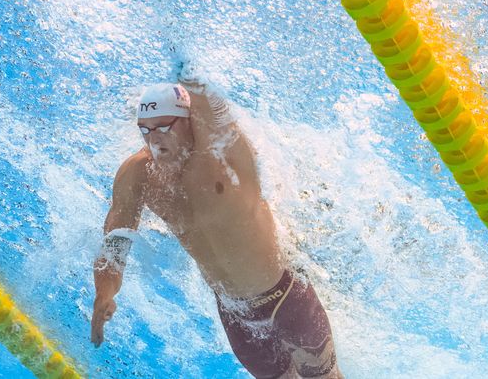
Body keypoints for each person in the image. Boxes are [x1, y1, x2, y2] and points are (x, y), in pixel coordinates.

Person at [91, 79, 343, 378]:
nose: (153, 139)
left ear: (188, 122)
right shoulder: (138, 175)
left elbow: (213, 108)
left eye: (162, 126)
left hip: (285, 297)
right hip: (234, 314)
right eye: (144, 129)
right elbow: (115, 243)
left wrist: (186, 70)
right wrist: (103, 293)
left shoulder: (222, 155)